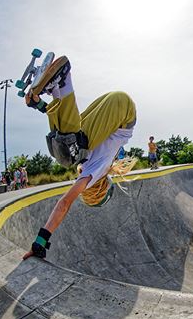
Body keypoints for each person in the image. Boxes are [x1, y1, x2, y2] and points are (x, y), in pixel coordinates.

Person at [20, 54, 140, 260]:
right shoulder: (97, 171)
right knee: (70, 156)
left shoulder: (91, 161)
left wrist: (38, 105)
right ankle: (62, 80)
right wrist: (40, 242)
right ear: (94, 190)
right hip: (122, 113)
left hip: (115, 107)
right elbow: (65, 203)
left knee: (73, 139)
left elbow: (70, 131)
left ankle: (56, 88)